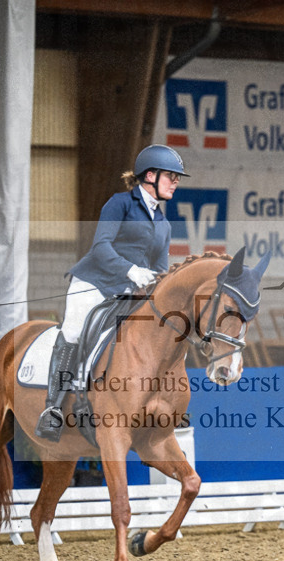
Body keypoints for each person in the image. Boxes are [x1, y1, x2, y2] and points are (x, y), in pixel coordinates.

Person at [35, 144, 188, 441]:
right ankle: (52, 408)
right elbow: (100, 246)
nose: (176, 181)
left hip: (129, 294)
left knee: (159, 332)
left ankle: (162, 403)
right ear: (151, 176)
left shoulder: (164, 224)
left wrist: (159, 283)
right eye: (171, 175)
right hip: (95, 283)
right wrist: (130, 270)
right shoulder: (120, 204)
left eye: (177, 177)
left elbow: (160, 268)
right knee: (75, 330)